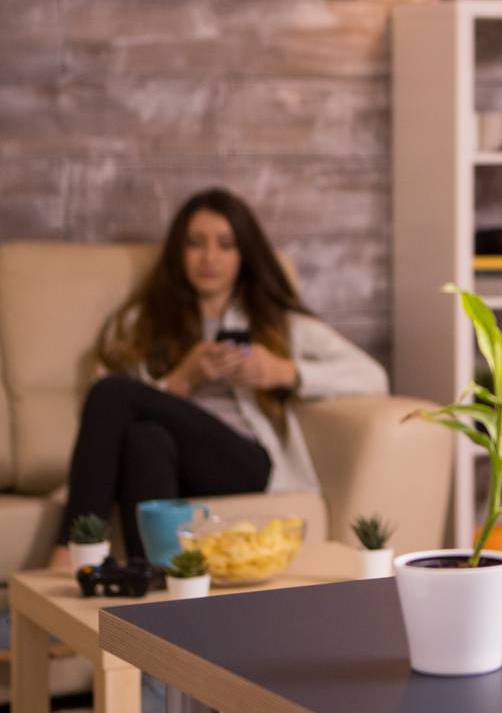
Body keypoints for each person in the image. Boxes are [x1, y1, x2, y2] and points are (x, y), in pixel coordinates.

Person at [47, 189, 388, 569]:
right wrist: (181, 381)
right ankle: (157, 587)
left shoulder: (277, 323)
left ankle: (71, 552)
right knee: (146, 440)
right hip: (174, 463)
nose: (209, 258)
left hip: (243, 462)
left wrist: (282, 371)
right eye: (196, 244)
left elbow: (372, 375)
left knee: (111, 392)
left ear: (244, 255)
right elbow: (109, 419)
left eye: (225, 245)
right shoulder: (144, 321)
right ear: (179, 252)